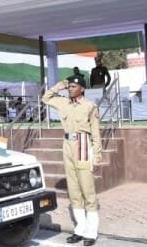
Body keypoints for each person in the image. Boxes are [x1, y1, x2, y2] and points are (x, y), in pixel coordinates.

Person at [42, 74, 102, 246]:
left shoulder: (90, 106)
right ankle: (80, 230)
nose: (70, 89)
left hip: (83, 143)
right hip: (67, 144)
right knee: (74, 190)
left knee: (87, 190)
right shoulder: (63, 102)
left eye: (73, 86)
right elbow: (46, 98)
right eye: (69, 86)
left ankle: (91, 232)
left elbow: (96, 134)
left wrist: (97, 157)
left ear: (82, 89)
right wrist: (59, 85)